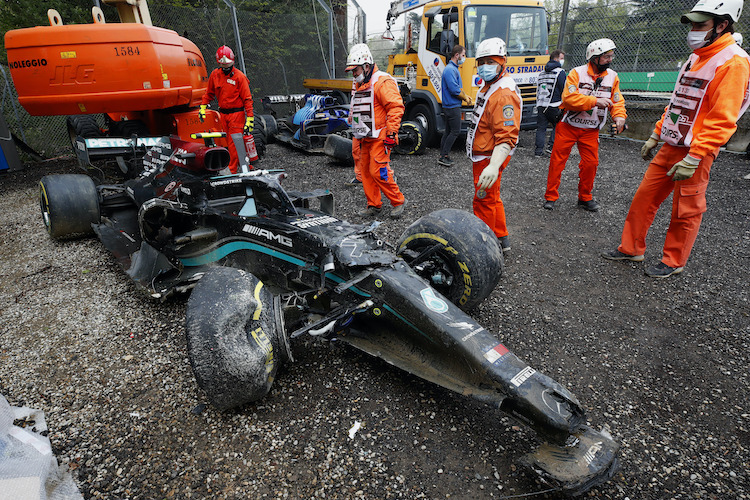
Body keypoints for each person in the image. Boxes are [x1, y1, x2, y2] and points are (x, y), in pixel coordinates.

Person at [602, 0, 750, 278]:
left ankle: (673, 260)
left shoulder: (733, 62)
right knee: (644, 198)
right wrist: (656, 133)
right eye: (692, 24)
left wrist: (695, 157)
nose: (693, 30)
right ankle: (631, 248)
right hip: (672, 144)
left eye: (700, 25)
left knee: (687, 208)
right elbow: (678, 102)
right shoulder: (697, 57)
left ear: (722, 25)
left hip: (698, 150)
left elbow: (723, 117)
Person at [542, 39, 627, 212]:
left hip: (591, 130)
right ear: (594, 57)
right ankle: (550, 196)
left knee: (591, 164)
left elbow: (617, 101)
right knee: (557, 161)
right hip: (568, 126)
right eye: (606, 57)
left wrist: (619, 118)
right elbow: (569, 99)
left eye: (611, 56)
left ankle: (585, 197)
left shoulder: (613, 77)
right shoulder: (576, 73)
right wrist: (595, 101)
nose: (610, 60)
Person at [465, 37, 521, 252]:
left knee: (483, 199)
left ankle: (485, 247)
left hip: (489, 156)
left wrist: (493, 166)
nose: (484, 66)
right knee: (493, 197)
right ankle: (501, 237)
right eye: (481, 62)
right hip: (485, 153)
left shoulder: (503, 93)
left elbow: (507, 136)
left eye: (490, 61)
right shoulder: (491, 86)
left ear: (502, 61)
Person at [346, 43, 407, 218]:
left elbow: (396, 107)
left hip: (381, 135)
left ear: (366, 66)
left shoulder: (381, 82)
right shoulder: (362, 83)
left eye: (355, 70)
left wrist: (391, 132)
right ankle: (374, 204)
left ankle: (398, 201)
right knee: (365, 171)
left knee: (378, 170)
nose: (354, 74)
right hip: (366, 135)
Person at [199, 46, 254, 174]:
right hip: (223, 115)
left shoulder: (239, 77)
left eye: (228, 64)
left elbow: (247, 99)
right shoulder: (215, 75)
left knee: (234, 143)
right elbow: (209, 93)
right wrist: (202, 107)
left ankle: (232, 171)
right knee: (226, 142)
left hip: (237, 115)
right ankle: (245, 164)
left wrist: (250, 118)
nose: (226, 68)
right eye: (223, 65)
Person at [438, 44, 473, 167]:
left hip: (450, 106)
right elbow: (454, 89)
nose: (464, 58)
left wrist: (465, 95)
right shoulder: (450, 70)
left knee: (448, 131)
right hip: (452, 106)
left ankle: (443, 155)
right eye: (463, 55)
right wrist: (464, 97)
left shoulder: (452, 69)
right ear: (457, 55)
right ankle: (444, 156)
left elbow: (457, 88)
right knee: (455, 131)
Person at [534, 50, 566, 157]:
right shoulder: (560, 72)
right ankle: (551, 148)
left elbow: (538, 89)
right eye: (561, 58)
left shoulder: (541, 73)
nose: (563, 60)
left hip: (540, 104)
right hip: (554, 105)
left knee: (541, 128)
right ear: (556, 59)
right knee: (558, 125)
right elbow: (564, 89)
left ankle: (538, 151)